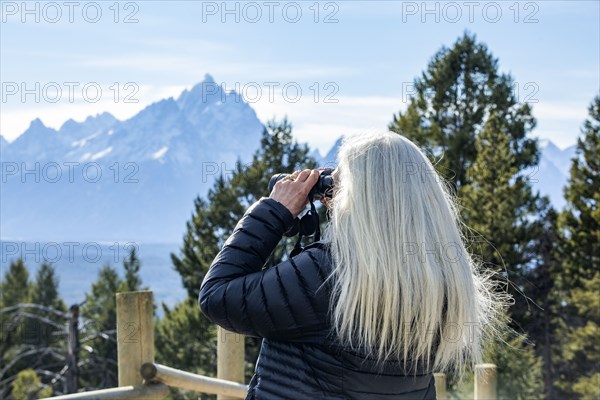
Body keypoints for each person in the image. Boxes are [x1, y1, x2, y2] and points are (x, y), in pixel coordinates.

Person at [199, 131, 510, 399]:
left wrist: (275, 210)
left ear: (355, 198)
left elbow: (217, 295)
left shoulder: (329, 275)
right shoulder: (443, 284)